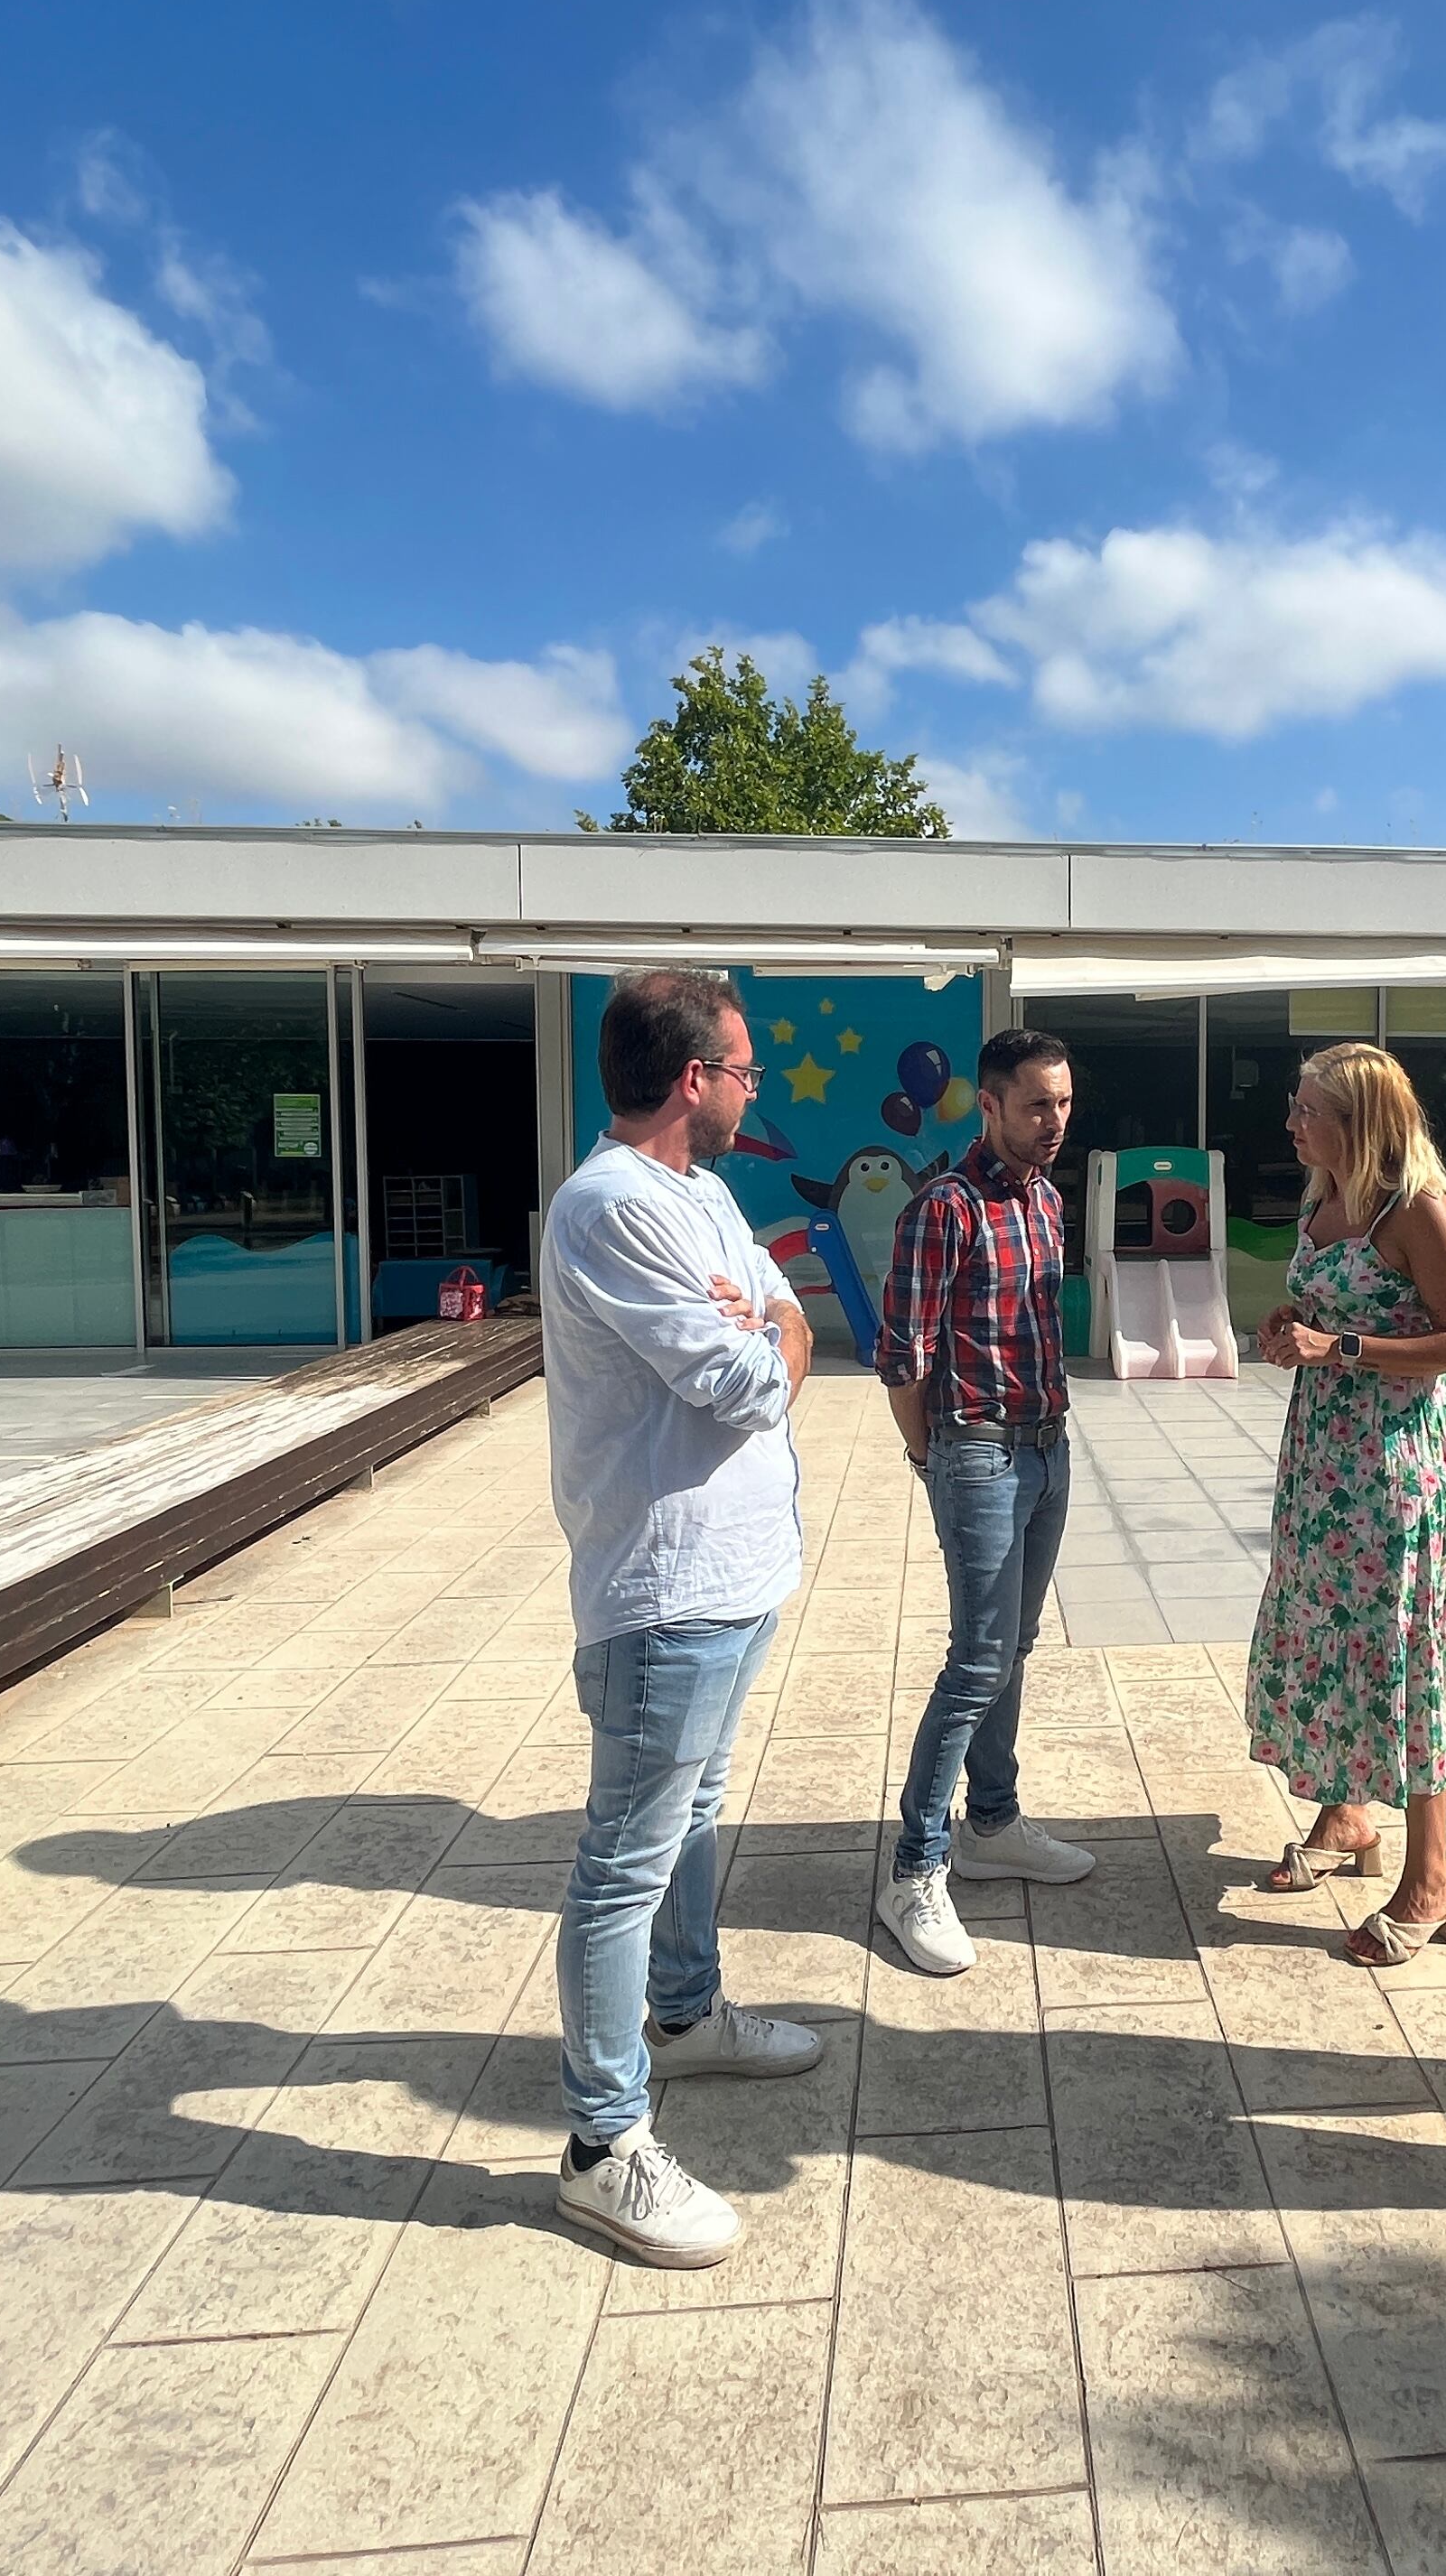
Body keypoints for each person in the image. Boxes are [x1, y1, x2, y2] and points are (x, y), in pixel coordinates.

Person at [541, 967, 826, 2269]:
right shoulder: (610, 1207)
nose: (754, 1089)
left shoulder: (704, 1193)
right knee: (627, 1858)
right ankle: (605, 2143)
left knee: (697, 1813)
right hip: (665, 1592)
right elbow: (743, 1378)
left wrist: (769, 1318)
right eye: (745, 1069)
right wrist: (769, 1331)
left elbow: (774, 1324)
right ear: (691, 1078)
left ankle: (687, 2013)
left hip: (738, 1574)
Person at [1242, 1041, 1446, 1965]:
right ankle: (1348, 1815)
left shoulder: (1417, 1209)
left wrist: (1337, 1348)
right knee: (1324, 1631)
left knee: (1397, 1648)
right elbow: (1324, 1306)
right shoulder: (1325, 1196)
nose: (1292, 1124)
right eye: (1296, 1106)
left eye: (1309, 1111)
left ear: (1360, 1123)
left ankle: (1432, 1877)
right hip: (1322, 1463)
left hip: (1390, 1469)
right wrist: (1285, 1327)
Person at [871, 1028, 1098, 1975]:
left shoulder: (1047, 1199)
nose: (1055, 1123)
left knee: (1016, 1647)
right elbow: (902, 1361)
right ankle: (913, 1870)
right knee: (976, 1661)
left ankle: (992, 1823)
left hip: (1048, 1449)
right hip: (979, 1454)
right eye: (1038, 1105)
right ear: (989, 1102)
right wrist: (938, 1461)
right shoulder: (944, 1209)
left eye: (1065, 1104)